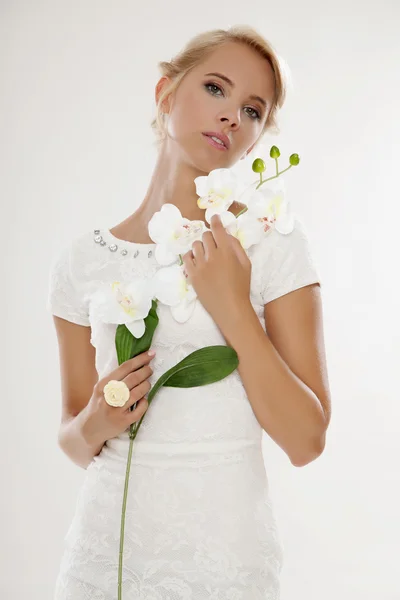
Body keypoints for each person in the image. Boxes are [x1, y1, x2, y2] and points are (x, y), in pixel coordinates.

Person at [47, 25, 332, 600]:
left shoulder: (269, 240)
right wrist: (98, 421)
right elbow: (74, 440)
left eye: (253, 109)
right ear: (166, 94)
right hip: (107, 556)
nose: (232, 117)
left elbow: (306, 440)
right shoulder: (82, 262)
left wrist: (233, 307)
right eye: (216, 88)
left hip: (224, 560)